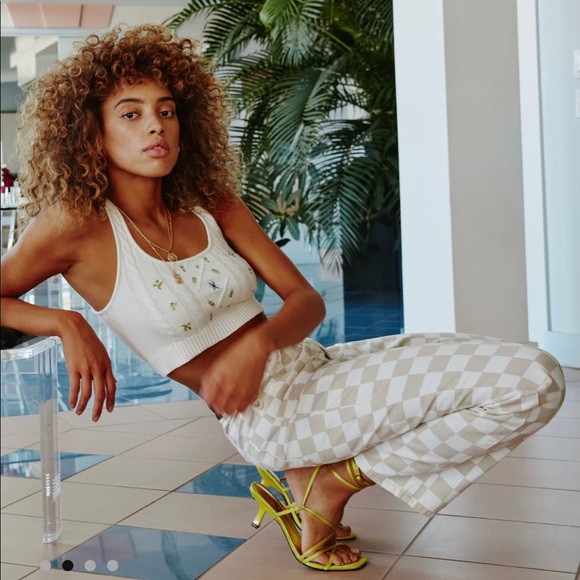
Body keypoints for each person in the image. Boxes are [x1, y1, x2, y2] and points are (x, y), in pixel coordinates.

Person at [0, 24, 565, 572]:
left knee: (527, 374)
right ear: (93, 134)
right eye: (131, 113)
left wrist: (259, 343)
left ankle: (324, 479)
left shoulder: (210, 204)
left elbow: (305, 300)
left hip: (314, 369)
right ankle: (326, 484)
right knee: (530, 380)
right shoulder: (75, 226)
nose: (156, 125)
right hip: (270, 415)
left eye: (166, 111)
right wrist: (67, 323)